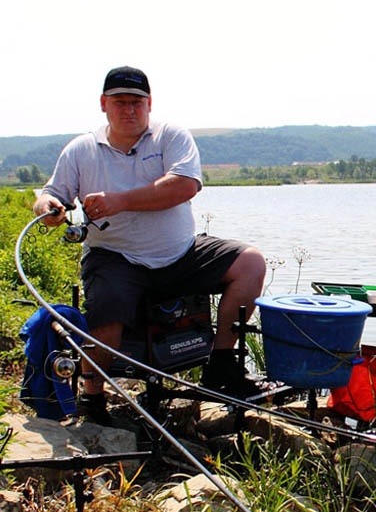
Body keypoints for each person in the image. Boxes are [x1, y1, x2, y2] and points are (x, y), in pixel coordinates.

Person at [32, 66, 266, 424]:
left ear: (149, 104)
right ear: (103, 104)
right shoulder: (81, 149)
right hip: (115, 256)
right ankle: (92, 398)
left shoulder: (170, 136)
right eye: (120, 102)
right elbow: (52, 193)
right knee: (107, 309)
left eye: (137, 103)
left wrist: (120, 200)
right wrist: (47, 208)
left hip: (180, 254)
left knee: (250, 263)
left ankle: (220, 365)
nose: (129, 110)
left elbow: (184, 186)